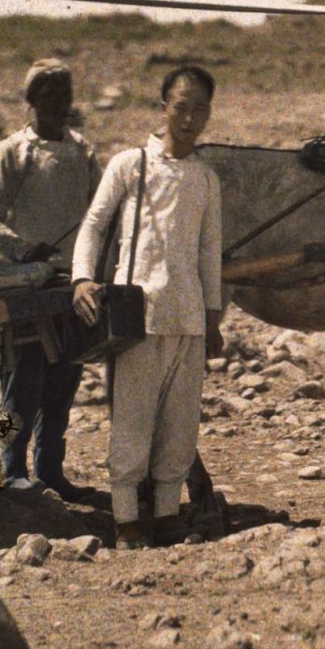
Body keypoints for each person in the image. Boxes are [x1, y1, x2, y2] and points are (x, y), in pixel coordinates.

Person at [72, 66, 226, 548]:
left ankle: (165, 515)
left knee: (180, 425)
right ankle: (126, 521)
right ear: (163, 107)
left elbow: (208, 250)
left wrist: (212, 315)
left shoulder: (205, 178)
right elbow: (95, 224)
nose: (189, 118)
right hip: (135, 311)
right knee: (133, 422)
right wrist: (82, 278)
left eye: (199, 108)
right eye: (181, 106)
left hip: (187, 316)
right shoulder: (130, 163)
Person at [0, 58, 102, 493]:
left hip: (74, 284)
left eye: (64, 95)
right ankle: (11, 473)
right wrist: (27, 251)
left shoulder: (83, 151)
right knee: (22, 381)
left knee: (65, 380)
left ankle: (50, 473)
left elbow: (98, 218)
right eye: (48, 96)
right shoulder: (13, 151)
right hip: (26, 286)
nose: (58, 104)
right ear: (31, 102)